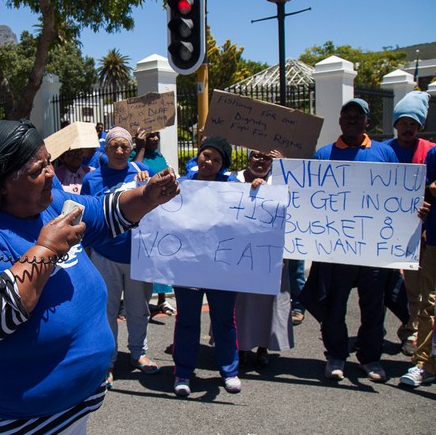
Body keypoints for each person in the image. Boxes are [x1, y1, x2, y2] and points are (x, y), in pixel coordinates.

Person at [0, 119, 179, 433]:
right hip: (11, 419)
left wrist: (147, 196)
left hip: (69, 410)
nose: (50, 173)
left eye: (48, 162)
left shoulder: (50, 205)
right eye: (36, 170)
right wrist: (47, 249)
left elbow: (100, 214)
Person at [302, 98, 427, 383]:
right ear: (340, 121)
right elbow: (310, 198)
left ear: (367, 122)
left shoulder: (384, 153)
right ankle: (335, 355)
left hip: (374, 250)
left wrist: (416, 212)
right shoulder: (324, 155)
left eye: (358, 117)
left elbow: (400, 196)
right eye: (347, 116)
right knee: (335, 306)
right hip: (338, 249)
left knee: (373, 306)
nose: (352, 121)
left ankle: (370, 358)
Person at [81, 127, 159, 388]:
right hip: (104, 255)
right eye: (114, 145)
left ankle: (139, 353)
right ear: (105, 149)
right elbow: (84, 217)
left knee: (139, 309)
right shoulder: (92, 180)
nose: (119, 150)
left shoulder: (141, 173)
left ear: (131, 149)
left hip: (138, 255)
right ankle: (108, 360)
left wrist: (148, 182)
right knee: (107, 310)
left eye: (124, 146)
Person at [172, 136, 242, 396]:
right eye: (206, 155)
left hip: (222, 267)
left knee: (224, 320)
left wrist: (257, 188)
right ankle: (183, 373)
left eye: (216, 159)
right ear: (198, 155)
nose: (209, 162)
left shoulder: (233, 187)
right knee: (187, 320)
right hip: (188, 265)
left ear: (222, 165)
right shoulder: (182, 185)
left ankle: (230, 371)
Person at [233, 149, 294, 367]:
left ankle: (263, 347)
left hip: (271, 254)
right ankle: (239, 347)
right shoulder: (234, 179)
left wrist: (286, 169)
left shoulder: (279, 182)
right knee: (240, 304)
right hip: (241, 254)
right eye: (257, 156)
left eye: (267, 158)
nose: (261, 161)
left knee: (268, 303)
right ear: (248, 158)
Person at [385, 91, 434, 356]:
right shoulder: (385, 150)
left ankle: (413, 334)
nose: (407, 128)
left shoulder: (430, 152)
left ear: (420, 126)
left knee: (416, 287)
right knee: (382, 287)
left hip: (420, 233)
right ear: (395, 125)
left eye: (413, 123)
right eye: (403, 122)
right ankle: (374, 332)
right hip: (384, 231)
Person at [400, 145, 436, 387]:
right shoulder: (434, 155)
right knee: (430, 303)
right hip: (434, 240)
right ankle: (425, 363)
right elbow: (426, 193)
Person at [131, 129, 176, 317]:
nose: (155, 138)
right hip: (144, 211)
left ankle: (162, 298)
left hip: (161, 211)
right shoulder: (135, 156)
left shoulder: (160, 156)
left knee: (162, 253)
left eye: (157, 135)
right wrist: (140, 147)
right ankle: (142, 301)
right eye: (151, 136)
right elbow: (137, 169)